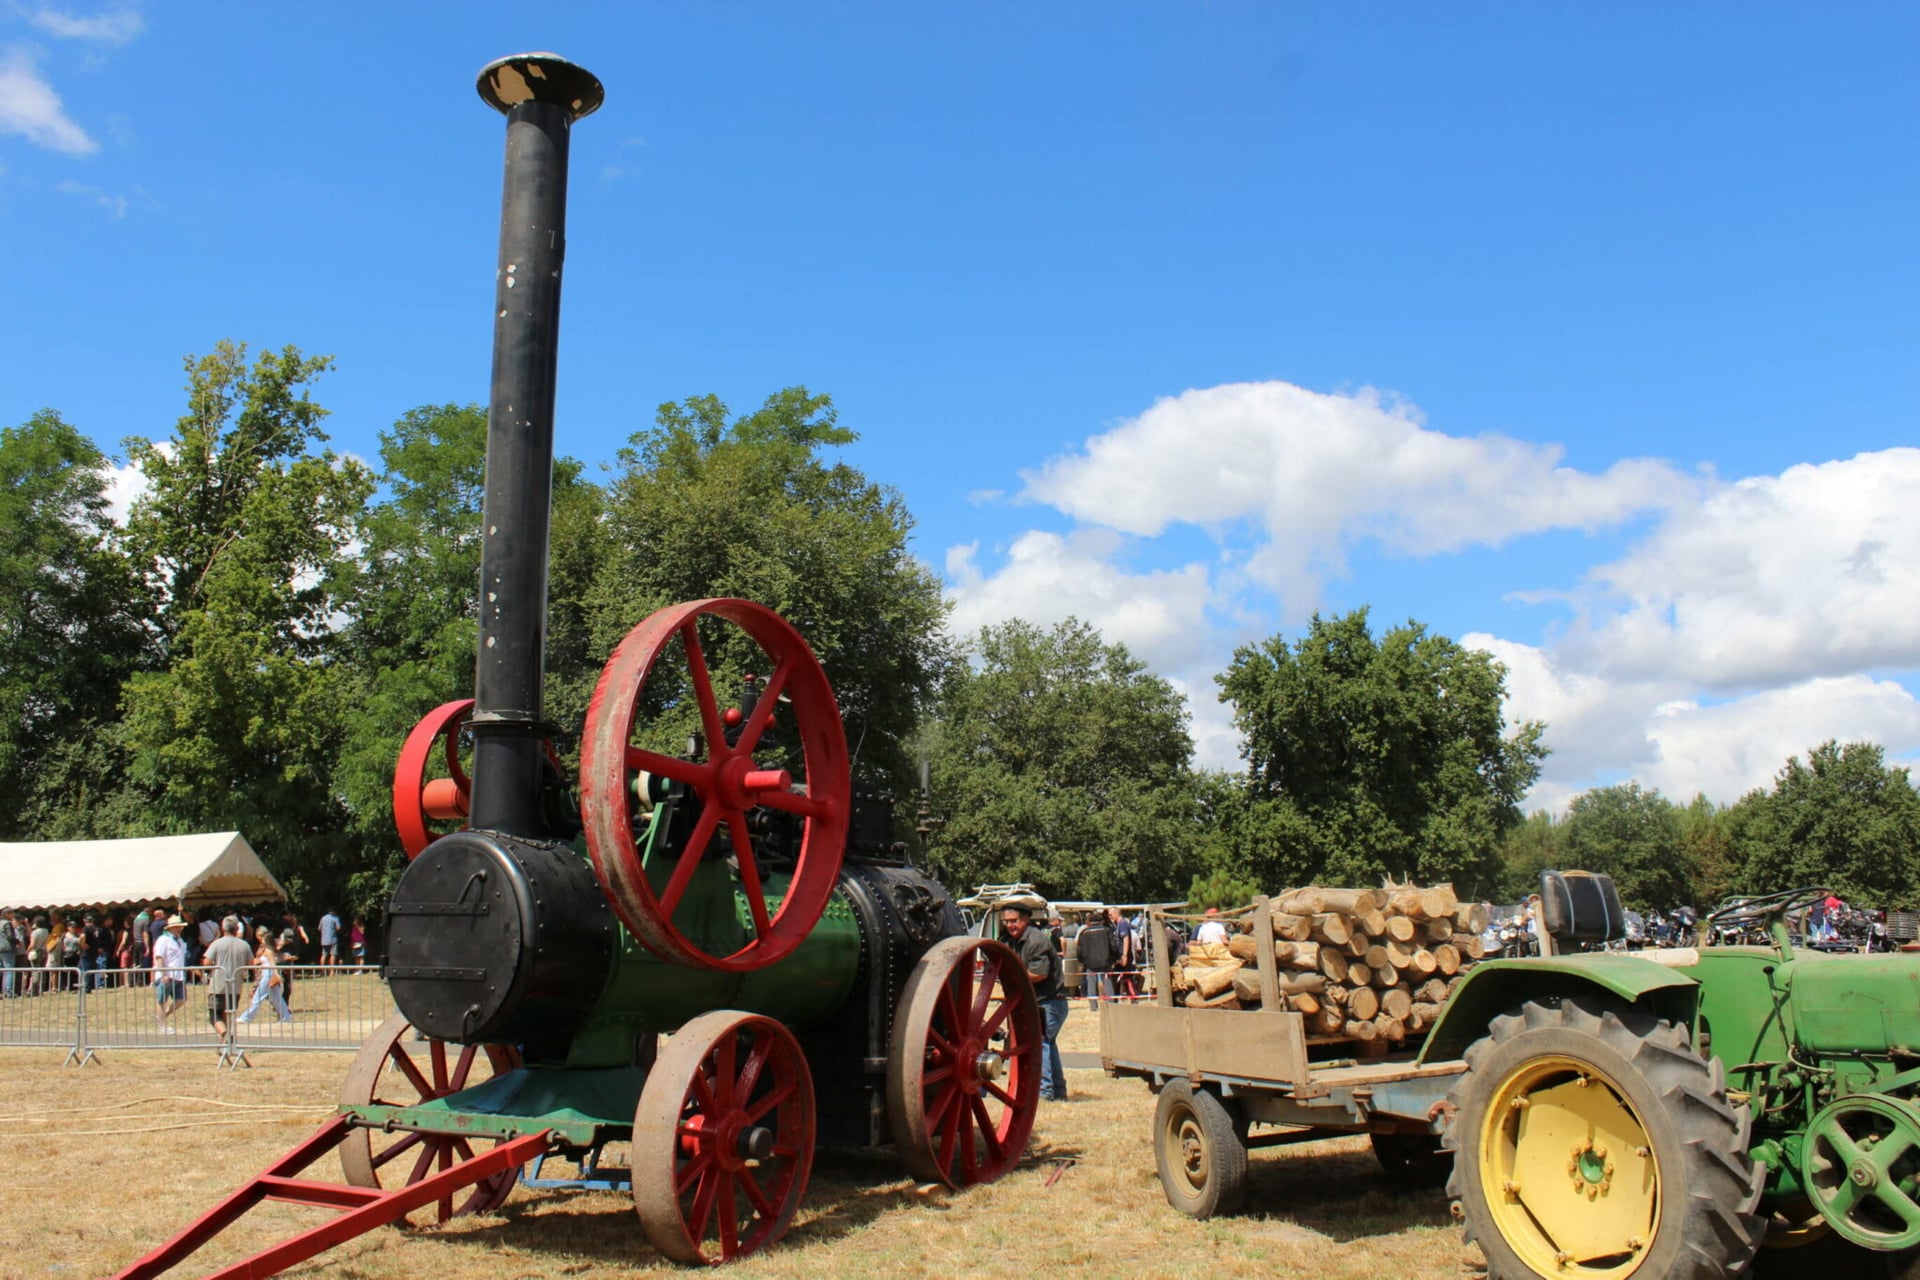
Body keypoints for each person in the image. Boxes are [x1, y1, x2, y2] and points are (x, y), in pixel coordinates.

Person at [1001, 903, 1068, 1102]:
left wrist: (1012, 976)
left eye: (1014, 921)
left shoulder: (1036, 941)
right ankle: (1058, 1091)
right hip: (1044, 1002)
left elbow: (1039, 974)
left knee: (1040, 1044)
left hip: (1051, 1003)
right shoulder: (1012, 940)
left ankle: (1045, 1092)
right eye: (1007, 922)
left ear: (1026, 920)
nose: (1010, 925)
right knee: (1048, 1043)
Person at [202, 916, 254, 1038]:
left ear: (222, 928)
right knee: (229, 1013)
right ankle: (227, 1040)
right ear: (236, 929)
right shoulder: (244, 945)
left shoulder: (217, 943)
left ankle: (225, 1035)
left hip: (218, 985)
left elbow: (207, 962)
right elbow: (251, 963)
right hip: (235, 985)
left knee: (215, 1015)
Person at [238, 926, 291, 1025]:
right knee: (276, 998)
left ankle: (246, 1018)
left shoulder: (268, 950)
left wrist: (276, 976)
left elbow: (272, 963)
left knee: (257, 997)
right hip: (267, 973)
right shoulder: (268, 950)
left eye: (263, 939)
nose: (261, 940)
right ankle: (286, 1016)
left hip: (268, 974)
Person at [152, 915, 189, 1034]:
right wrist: (163, 974)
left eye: (181, 927)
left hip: (178, 975)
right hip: (167, 975)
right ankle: (162, 1026)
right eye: (177, 927)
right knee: (162, 1000)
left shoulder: (181, 941)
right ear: (170, 928)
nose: (179, 929)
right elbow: (159, 957)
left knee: (181, 999)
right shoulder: (163, 940)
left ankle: (163, 1016)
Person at [1075, 910, 1115, 1010]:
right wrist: (1114, 958)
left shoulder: (1084, 932)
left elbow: (1079, 949)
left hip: (1090, 963)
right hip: (1105, 962)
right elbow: (1113, 946)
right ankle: (1111, 1005)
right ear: (1101, 921)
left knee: (1091, 984)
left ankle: (1093, 1006)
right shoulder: (1106, 931)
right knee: (1107, 982)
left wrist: (1083, 961)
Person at [0, 908, 18, 998]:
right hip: (7, 949)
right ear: (7, 914)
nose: (14, 916)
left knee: (1, 970)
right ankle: (9, 991)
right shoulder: (7, 923)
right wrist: (17, 941)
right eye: (12, 914)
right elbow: (10, 936)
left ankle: (3, 991)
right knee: (10, 970)